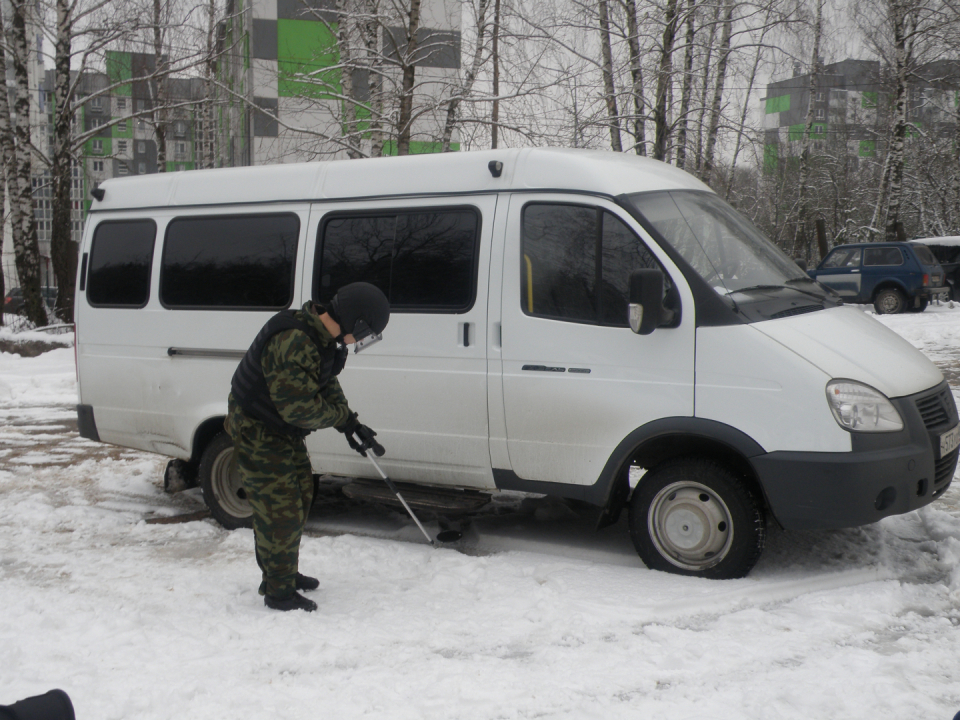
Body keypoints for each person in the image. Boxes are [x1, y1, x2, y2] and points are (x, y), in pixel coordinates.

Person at [225, 282, 390, 612]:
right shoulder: (294, 341)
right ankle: (278, 591)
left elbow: (327, 381)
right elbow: (298, 409)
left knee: (299, 496)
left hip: (279, 429)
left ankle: (282, 572)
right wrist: (339, 416)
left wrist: (351, 424)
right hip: (258, 429)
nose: (360, 341)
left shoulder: (322, 338)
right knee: (279, 510)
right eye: (365, 333)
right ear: (354, 322)